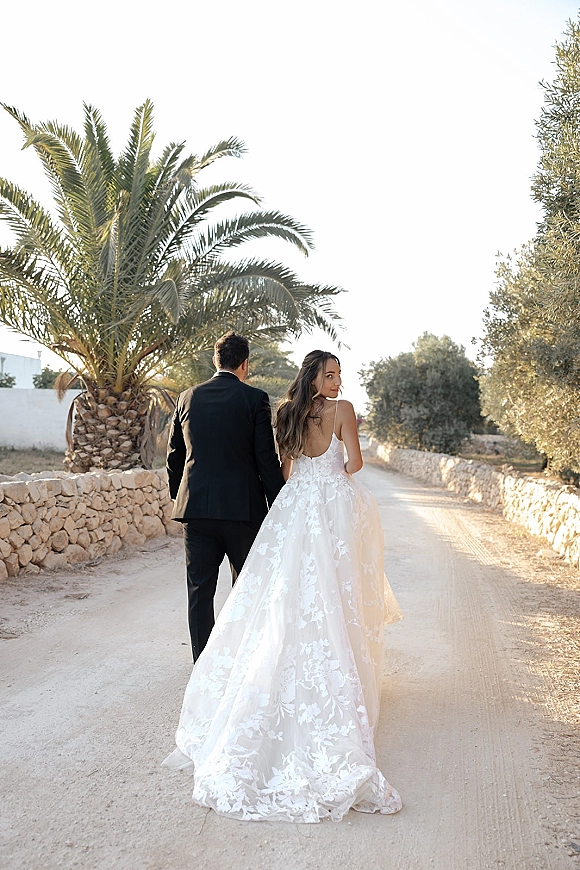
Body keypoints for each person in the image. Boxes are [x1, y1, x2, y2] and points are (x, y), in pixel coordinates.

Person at [163, 351, 403, 822]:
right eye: (330, 374)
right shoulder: (344, 411)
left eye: (339, 375)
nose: (337, 381)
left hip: (293, 507)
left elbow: (286, 471)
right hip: (331, 506)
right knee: (337, 593)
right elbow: (353, 464)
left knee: (277, 592)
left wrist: (302, 482)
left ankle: (236, 669)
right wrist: (335, 469)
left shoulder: (286, 411)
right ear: (315, 375)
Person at [166, 331, 285, 662]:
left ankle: (203, 665)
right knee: (245, 588)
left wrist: (182, 498)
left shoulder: (187, 397)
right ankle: (240, 661)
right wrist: (280, 507)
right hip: (242, 513)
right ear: (245, 364)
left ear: (214, 361)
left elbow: (174, 455)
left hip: (196, 512)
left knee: (199, 590)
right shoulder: (255, 399)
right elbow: (266, 459)